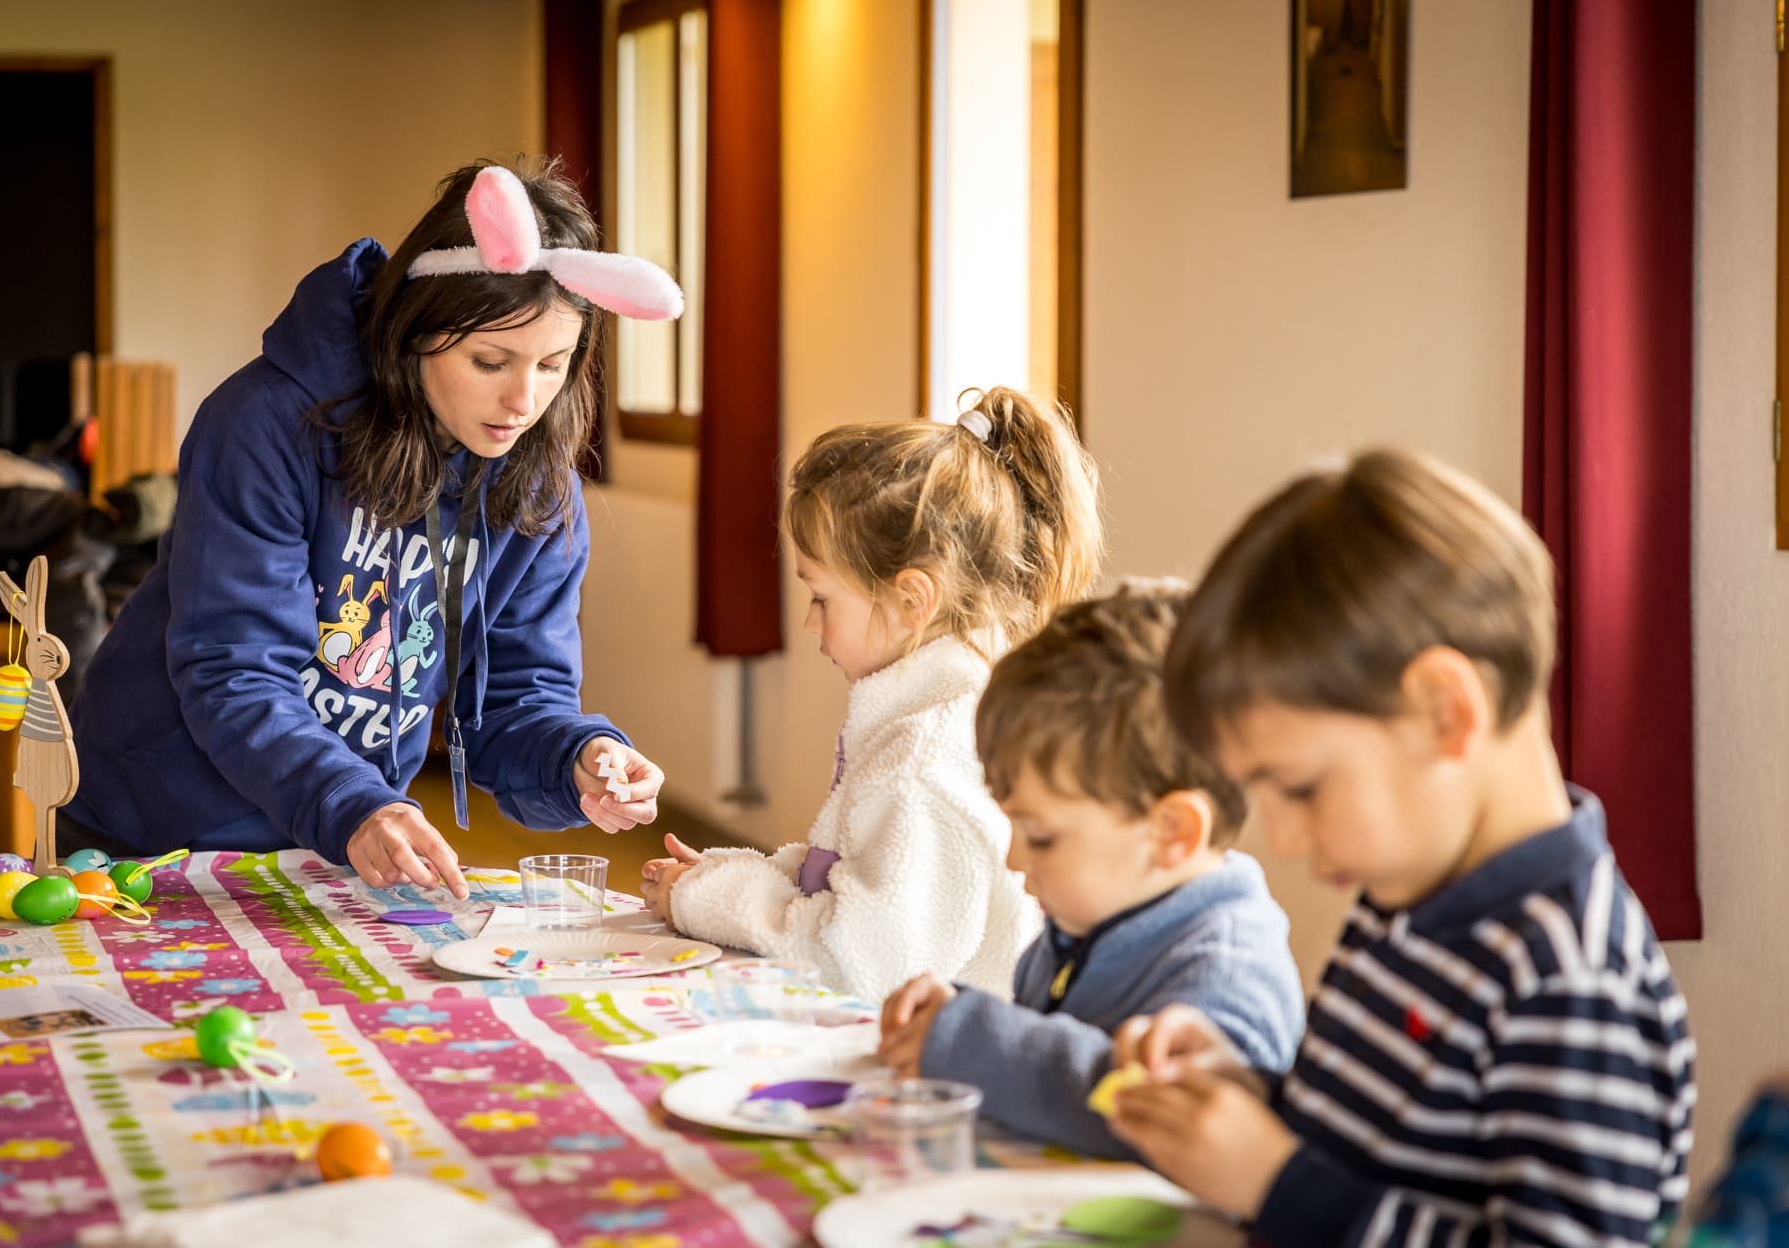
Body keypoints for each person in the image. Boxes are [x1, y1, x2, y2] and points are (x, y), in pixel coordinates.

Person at [1104, 449, 1695, 1247]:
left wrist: (1274, 1180)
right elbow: (1371, 1148)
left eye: (1302, 788)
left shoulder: (1571, 977)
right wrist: (1246, 1098)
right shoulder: (1402, 899)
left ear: (1445, 712)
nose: (1282, 837)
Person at [63, 159, 681, 897]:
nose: (525, 400)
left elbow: (516, 699)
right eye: (491, 360)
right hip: (158, 832)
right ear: (414, 331)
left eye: (553, 364)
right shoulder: (262, 424)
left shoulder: (539, 486)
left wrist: (577, 757)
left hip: (337, 843)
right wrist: (353, 803)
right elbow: (236, 670)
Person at [639, 388, 1103, 1003]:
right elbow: (855, 872)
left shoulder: (926, 760)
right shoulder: (934, 715)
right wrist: (728, 876)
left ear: (913, 600)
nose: (811, 624)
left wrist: (704, 902)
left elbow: (854, 963)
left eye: (822, 597)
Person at [875, 580, 1303, 1158]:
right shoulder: (1092, 915)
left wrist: (968, 1040)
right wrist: (950, 1014)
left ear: (1171, 833)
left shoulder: (1228, 969)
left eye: (1042, 836)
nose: (1014, 859)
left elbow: (1158, 1114)